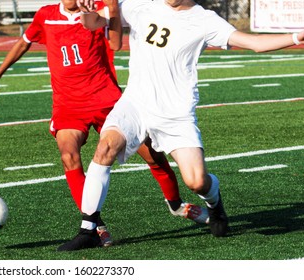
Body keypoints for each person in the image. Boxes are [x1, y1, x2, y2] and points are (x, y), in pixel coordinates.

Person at [57, 0, 304, 251]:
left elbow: (256, 44)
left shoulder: (205, 19)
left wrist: (298, 35)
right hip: (135, 104)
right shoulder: (139, 6)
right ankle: (88, 230)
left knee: (196, 181)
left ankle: (214, 201)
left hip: (175, 114)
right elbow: (94, 23)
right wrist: (88, 14)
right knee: (106, 148)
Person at [0, 0, 208, 248]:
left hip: (106, 100)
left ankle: (176, 205)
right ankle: (94, 224)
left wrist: (109, 12)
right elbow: (24, 42)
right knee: (68, 154)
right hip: (68, 105)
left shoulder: (98, 10)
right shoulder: (45, 16)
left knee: (152, 154)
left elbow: (115, 44)